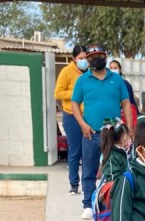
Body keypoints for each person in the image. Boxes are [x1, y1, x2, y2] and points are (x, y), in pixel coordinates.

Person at [71, 44, 134, 220]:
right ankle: (88, 205)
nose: (95, 59)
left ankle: (112, 202)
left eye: (99, 55)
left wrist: (129, 128)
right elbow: (74, 104)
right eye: (91, 57)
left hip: (114, 134)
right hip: (91, 133)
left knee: (114, 169)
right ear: (87, 59)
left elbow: (126, 102)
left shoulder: (116, 79)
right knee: (90, 170)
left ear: (105, 56)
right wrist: (82, 124)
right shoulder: (83, 80)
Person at [54, 44, 87, 195]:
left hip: (88, 117)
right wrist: (76, 93)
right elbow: (58, 93)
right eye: (81, 58)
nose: (84, 61)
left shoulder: (90, 73)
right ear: (74, 59)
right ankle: (74, 184)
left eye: (86, 58)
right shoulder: (66, 72)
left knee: (88, 150)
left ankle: (88, 183)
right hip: (71, 115)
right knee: (75, 150)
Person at [100, 119, 131, 221]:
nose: (129, 139)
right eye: (127, 135)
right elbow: (113, 178)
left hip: (122, 192)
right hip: (115, 194)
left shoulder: (122, 153)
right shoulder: (113, 155)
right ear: (123, 137)